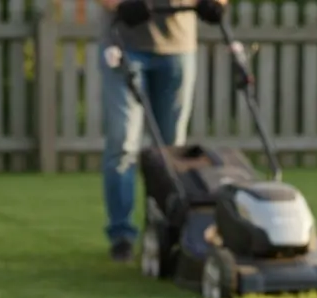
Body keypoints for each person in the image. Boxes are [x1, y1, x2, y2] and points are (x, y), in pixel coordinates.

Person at [97, 0, 226, 262]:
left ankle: (166, 231)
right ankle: (121, 235)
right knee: (124, 141)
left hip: (179, 46)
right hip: (125, 40)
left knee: (170, 150)